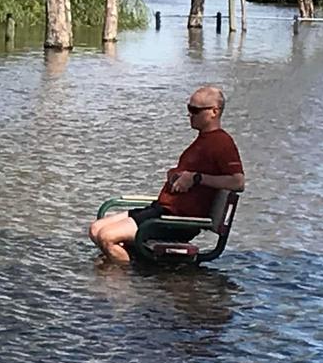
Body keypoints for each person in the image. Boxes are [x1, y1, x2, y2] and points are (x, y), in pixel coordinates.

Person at [88, 85, 245, 263]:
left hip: (177, 220)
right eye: (188, 109)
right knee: (95, 229)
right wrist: (176, 175)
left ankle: (126, 283)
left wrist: (196, 178)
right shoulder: (203, 140)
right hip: (161, 211)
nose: (189, 115)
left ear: (214, 112)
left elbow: (238, 182)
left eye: (195, 110)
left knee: (107, 237)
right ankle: (125, 271)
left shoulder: (222, 143)